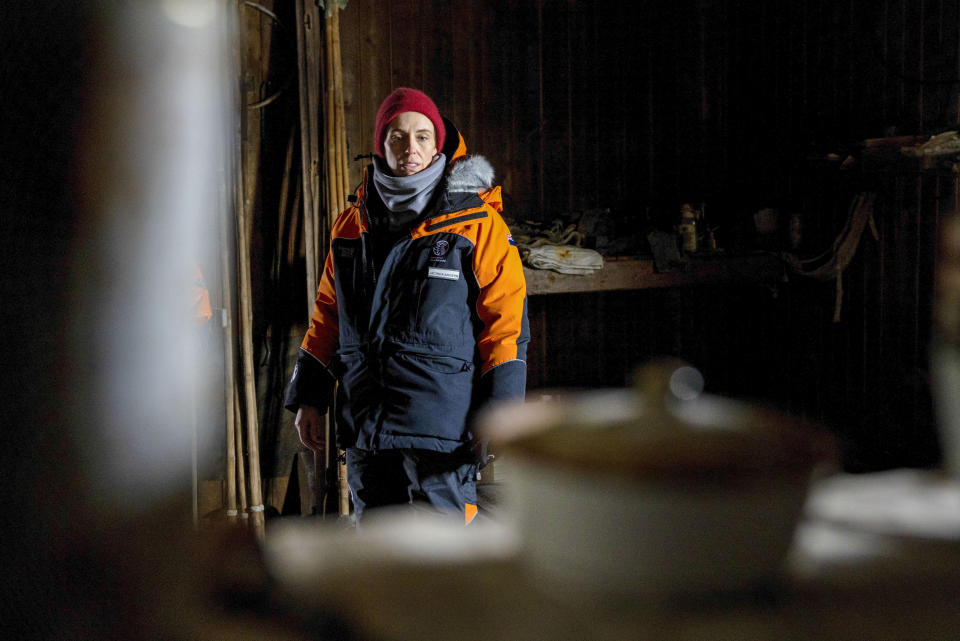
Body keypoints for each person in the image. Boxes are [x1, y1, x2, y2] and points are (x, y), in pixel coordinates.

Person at [285, 87, 529, 524]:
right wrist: (309, 397)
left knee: (441, 563)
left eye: (421, 136)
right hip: (366, 424)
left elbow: (505, 325)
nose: (410, 149)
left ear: (439, 145)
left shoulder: (477, 224)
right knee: (379, 560)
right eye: (397, 137)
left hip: (441, 432)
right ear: (381, 144)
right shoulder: (351, 226)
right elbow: (328, 315)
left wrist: (502, 411)